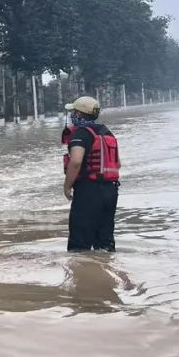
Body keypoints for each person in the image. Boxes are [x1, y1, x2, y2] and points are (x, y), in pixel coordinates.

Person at [63, 95, 121, 252]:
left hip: (89, 191)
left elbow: (75, 162)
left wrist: (67, 187)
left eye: (73, 112)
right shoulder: (107, 132)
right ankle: (106, 271)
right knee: (105, 241)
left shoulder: (80, 134)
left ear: (79, 114)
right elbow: (118, 163)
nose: (71, 115)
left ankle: (83, 274)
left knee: (79, 244)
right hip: (111, 191)